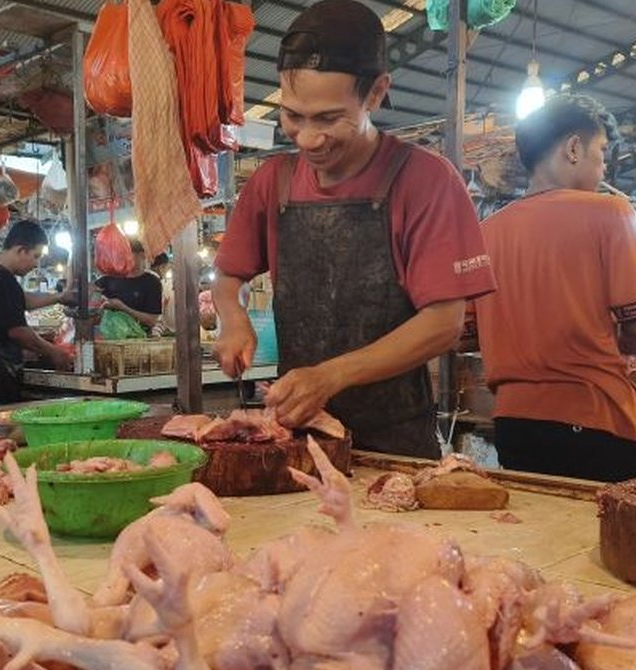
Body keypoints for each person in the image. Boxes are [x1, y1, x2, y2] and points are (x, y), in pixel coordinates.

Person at [211, 0, 496, 459]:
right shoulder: (272, 181)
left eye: (327, 118)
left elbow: (443, 325)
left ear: (377, 93)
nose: (306, 139)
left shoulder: (425, 180)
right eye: (292, 116)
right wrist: (233, 318)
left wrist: (330, 376)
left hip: (394, 445)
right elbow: (228, 278)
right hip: (298, 438)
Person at [468, 94, 636, 482]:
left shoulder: (485, 233)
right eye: (602, 152)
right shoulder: (610, 212)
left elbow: (467, 334)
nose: (604, 166)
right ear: (574, 148)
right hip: (594, 418)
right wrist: (619, 347)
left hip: (513, 424)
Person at [0, 221, 74, 404]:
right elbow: (18, 332)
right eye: (36, 256)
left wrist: (60, 297)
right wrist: (53, 351)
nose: (36, 264)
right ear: (21, 250)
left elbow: (22, 301)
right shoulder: (2, 279)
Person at [96, 240, 164, 329]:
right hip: (107, 337)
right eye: (122, 255)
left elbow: (152, 320)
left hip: (140, 339)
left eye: (129, 254)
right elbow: (91, 298)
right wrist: (98, 300)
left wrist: (122, 308)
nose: (125, 258)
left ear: (142, 255)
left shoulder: (152, 282)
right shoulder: (108, 279)